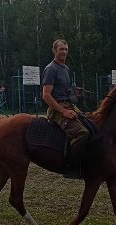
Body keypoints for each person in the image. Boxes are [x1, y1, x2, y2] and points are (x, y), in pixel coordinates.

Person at [42, 39, 89, 178]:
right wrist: (63, 112)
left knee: (92, 123)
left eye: (66, 49)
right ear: (54, 50)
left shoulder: (65, 68)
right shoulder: (51, 69)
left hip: (69, 105)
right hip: (57, 110)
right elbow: (46, 95)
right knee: (83, 133)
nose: (64, 52)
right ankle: (71, 167)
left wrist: (75, 93)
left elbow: (66, 92)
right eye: (61, 49)